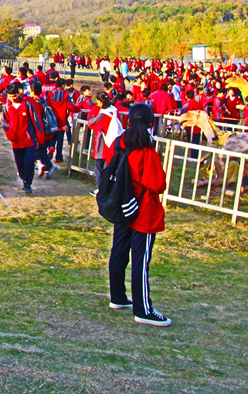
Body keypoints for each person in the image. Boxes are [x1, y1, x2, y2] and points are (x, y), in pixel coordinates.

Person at [107, 103, 171, 327]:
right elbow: (157, 184)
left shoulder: (121, 145)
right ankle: (143, 309)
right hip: (143, 211)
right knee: (141, 261)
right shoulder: (147, 152)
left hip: (123, 206)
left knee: (119, 252)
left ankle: (117, 296)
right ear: (151, 124)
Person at [1, 82, 37, 194]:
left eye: (14, 95)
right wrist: (9, 134)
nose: (12, 98)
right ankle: (24, 178)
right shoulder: (7, 106)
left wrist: (39, 137)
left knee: (29, 162)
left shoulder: (27, 104)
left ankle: (28, 184)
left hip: (29, 139)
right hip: (15, 141)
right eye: (10, 96)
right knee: (20, 163)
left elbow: (36, 121)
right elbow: (4, 121)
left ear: (19, 93)